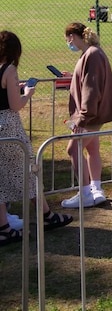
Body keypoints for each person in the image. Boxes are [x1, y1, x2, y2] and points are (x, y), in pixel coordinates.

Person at [0, 31, 74, 244]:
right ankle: (45, 215)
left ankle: (5, 226)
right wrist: (28, 93)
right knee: (28, 170)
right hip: (9, 127)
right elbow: (15, 106)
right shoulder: (10, 70)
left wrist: (16, 88)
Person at [61, 23, 112, 208]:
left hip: (90, 115)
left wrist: (82, 118)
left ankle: (85, 193)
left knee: (73, 149)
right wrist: (72, 77)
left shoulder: (92, 54)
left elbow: (92, 89)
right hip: (93, 114)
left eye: (67, 39)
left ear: (72, 36)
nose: (68, 43)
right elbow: (87, 80)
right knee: (92, 149)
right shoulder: (91, 53)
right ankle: (95, 189)